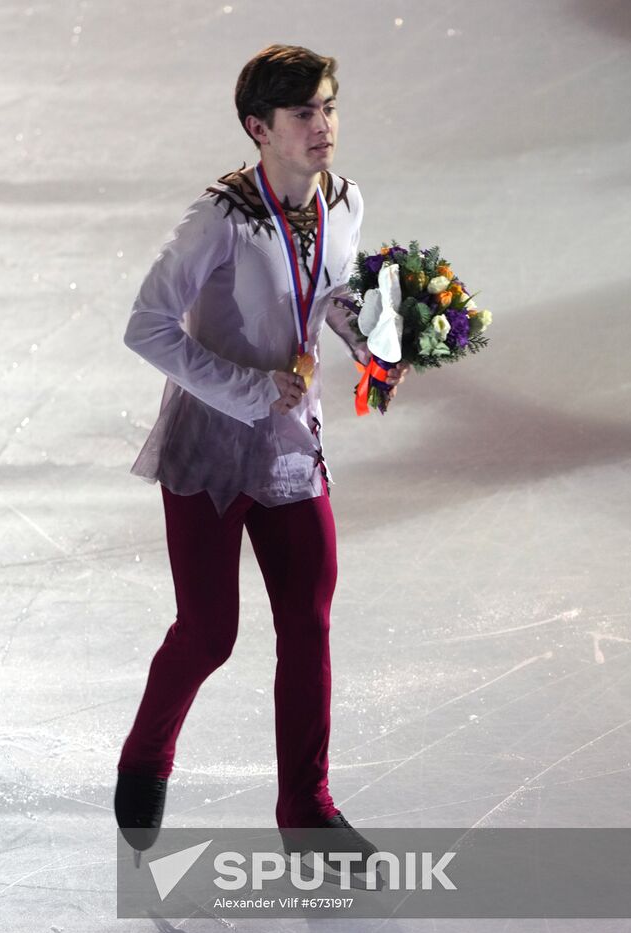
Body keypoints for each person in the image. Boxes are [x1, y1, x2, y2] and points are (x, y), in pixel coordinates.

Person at [113, 43, 410, 870]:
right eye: (304, 113)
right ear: (259, 128)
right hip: (209, 449)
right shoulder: (219, 219)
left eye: (328, 107)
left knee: (308, 622)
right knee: (209, 632)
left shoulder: (344, 201)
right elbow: (147, 326)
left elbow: (336, 289)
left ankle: (305, 807)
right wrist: (245, 389)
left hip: (289, 447)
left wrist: (374, 340)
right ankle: (145, 754)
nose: (324, 127)